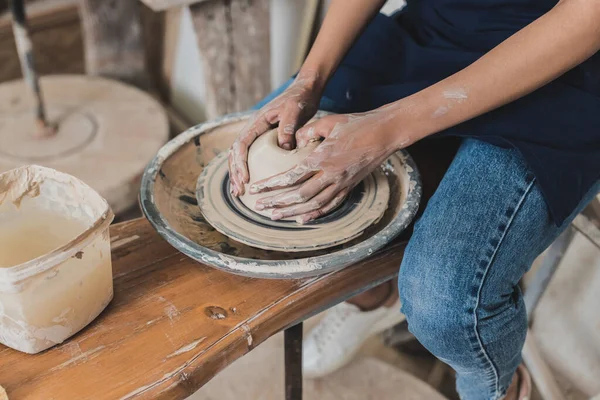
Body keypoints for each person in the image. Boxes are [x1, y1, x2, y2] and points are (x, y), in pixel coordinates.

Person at [227, 1, 600, 399]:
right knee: (274, 200)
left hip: (561, 66)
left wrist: (389, 126)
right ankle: (373, 297)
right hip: (437, 30)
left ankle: (500, 390)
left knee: (443, 302)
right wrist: (308, 79)